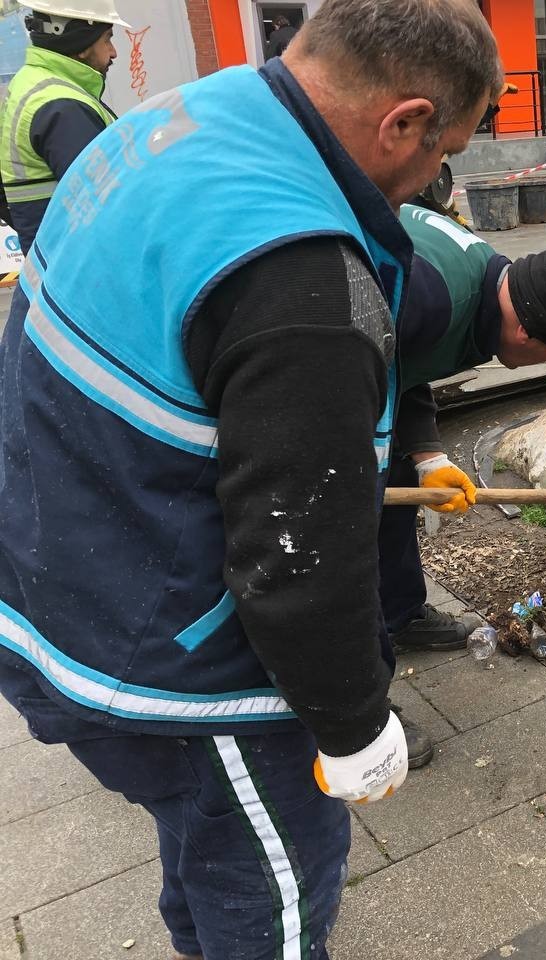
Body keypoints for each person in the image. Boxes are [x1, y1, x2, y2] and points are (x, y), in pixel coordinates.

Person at [0, 1, 502, 956]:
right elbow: (296, 557)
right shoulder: (305, 279)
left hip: (52, 576)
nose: (439, 178)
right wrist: (355, 725)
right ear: (403, 122)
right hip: (172, 666)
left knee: (207, 852)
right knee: (268, 902)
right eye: (448, 151)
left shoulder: (183, 117)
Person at [378, 202, 546, 751]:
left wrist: (426, 455)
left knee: (393, 489)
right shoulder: (431, 300)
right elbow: (347, 371)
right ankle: (354, 711)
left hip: (360, 365)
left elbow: (399, 365)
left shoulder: (491, 281)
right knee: (339, 546)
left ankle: (400, 612)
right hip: (296, 380)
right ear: (528, 333)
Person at [0, 0, 125, 253]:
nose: (113, 52)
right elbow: (111, 208)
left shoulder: (30, 84)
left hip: (54, 262)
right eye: (107, 39)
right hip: (84, 268)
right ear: (79, 43)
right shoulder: (61, 106)